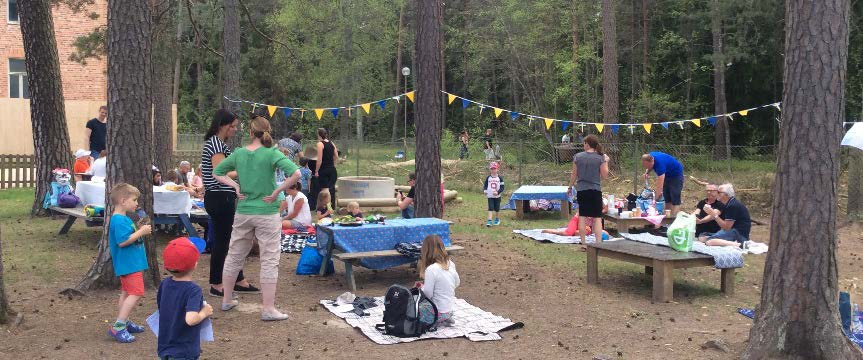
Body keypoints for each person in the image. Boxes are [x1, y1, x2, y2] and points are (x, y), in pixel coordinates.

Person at [214, 115, 300, 321]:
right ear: (267, 131)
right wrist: (277, 190)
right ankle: (268, 309)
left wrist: (235, 187)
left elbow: (217, 171)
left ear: (250, 133)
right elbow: (296, 174)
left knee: (234, 254)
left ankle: (226, 299)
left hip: (243, 211)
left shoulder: (239, 153)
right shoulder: (272, 154)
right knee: (269, 259)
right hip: (267, 212)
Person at [201, 109, 258, 298]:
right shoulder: (216, 144)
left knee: (229, 241)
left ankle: (237, 280)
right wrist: (244, 169)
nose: (234, 130)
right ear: (222, 125)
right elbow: (220, 172)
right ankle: (216, 284)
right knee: (223, 242)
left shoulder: (217, 144)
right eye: (232, 126)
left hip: (221, 197)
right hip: (219, 197)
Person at [107, 183, 152, 343]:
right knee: (136, 292)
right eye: (134, 200)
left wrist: (138, 228)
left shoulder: (123, 219)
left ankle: (124, 321)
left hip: (131, 263)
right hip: (128, 264)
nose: (137, 203)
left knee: (126, 293)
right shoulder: (118, 220)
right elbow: (123, 241)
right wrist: (141, 232)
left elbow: (129, 235)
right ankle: (118, 327)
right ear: (123, 201)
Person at [157, 238, 213, 359]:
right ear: (195, 264)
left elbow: (161, 308)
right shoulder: (193, 290)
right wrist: (204, 312)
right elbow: (191, 319)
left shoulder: (165, 284)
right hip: (184, 350)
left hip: (165, 346)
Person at [568, 135, 610, 245]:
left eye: (584, 144)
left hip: (581, 190)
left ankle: (583, 243)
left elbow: (574, 174)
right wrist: (606, 162)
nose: (583, 146)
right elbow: (605, 175)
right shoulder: (600, 157)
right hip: (595, 190)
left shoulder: (577, 157)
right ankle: (598, 243)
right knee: (597, 218)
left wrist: (570, 187)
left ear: (587, 144)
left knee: (582, 216)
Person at [415, 235, 459, 328]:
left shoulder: (431, 269)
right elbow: (457, 283)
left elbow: (428, 294)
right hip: (449, 311)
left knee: (413, 301)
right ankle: (445, 318)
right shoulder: (450, 264)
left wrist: (420, 289)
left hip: (436, 313)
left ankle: (434, 320)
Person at [698, 183, 752, 248]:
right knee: (702, 236)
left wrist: (713, 215)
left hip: (738, 234)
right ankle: (726, 241)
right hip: (731, 231)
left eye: (719, 192)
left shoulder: (732, 205)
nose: (717, 194)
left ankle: (739, 244)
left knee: (709, 241)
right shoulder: (729, 203)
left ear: (726, 194)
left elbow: (726, 227)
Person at [641, 151, 685, 215]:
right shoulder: (649, 156)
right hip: (667, 174)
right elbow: (649, 166)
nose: (646, 168)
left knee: (675, 199)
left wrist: (655, 199)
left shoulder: (660, 165)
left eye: (648, 166)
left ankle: (673, 220)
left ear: (652, 161)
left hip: (676, 175)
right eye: (645, 166)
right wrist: (647, 172)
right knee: (667, 198)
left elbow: (660, 186)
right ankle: (666, 219)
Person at [314, 128, 339, 210]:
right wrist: (333, 165)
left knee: (325, 190)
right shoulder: (332, 143)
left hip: (324, 170)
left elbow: (319, 159)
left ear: (319, 134)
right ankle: (332, 207)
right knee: (331, 189)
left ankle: (327, 208)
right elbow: (336, 156)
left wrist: (316, 170)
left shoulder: (320, 144)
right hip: (332, 169)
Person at [541, 210, 610, 240]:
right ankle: (553, 231)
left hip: (587, 226)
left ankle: (577, 231)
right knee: (567, 233)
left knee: (604, 233)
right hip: (578, 221)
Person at [483, 162, 505, 227]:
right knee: (490, 207)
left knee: (497, 208)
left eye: (494, 169)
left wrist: (497, 192)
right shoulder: (488, 178)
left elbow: (502, 187)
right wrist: (485, 190)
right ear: (490, 170)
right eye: (492, 169)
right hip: (490, 196)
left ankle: (497, 219)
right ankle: (489, 220)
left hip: (497, 196)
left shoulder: (500, 178)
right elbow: (485, 185)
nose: (493, 170)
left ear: (497, 169)